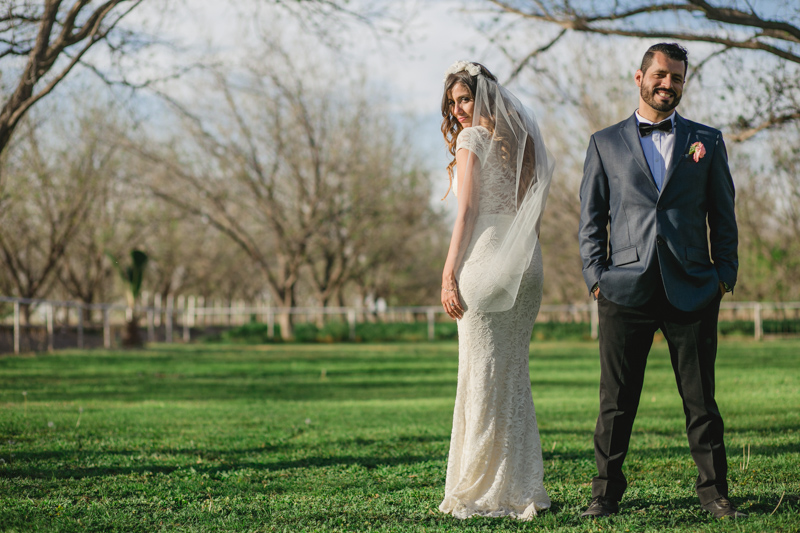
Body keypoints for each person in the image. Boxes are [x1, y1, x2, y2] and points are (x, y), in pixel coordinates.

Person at [578, 43, 744, 519]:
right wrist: (596, 278)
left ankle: (714, 493)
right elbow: (591, 220)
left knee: (701, 401)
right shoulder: (603, 143)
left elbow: (723, 214)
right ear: (639, 77)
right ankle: (604, 495)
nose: (667, 84)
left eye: (676, 78)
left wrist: (723, 277)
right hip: (623, 288)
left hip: (692, 286)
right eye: (660, 75)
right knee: (615, 403)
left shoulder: (706, 141)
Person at [438, 60, 555, 520]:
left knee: (481, 372)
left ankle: (482, 488)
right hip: (527, 262)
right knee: (512, 375)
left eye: (465, 98)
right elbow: (534, 209)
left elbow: (465, 214)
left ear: (483, 95)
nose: (460, 110)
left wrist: (448, 273)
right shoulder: (521, 140)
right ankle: (521, 486)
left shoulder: (471, 142)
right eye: (453, 103)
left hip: (486, 259)